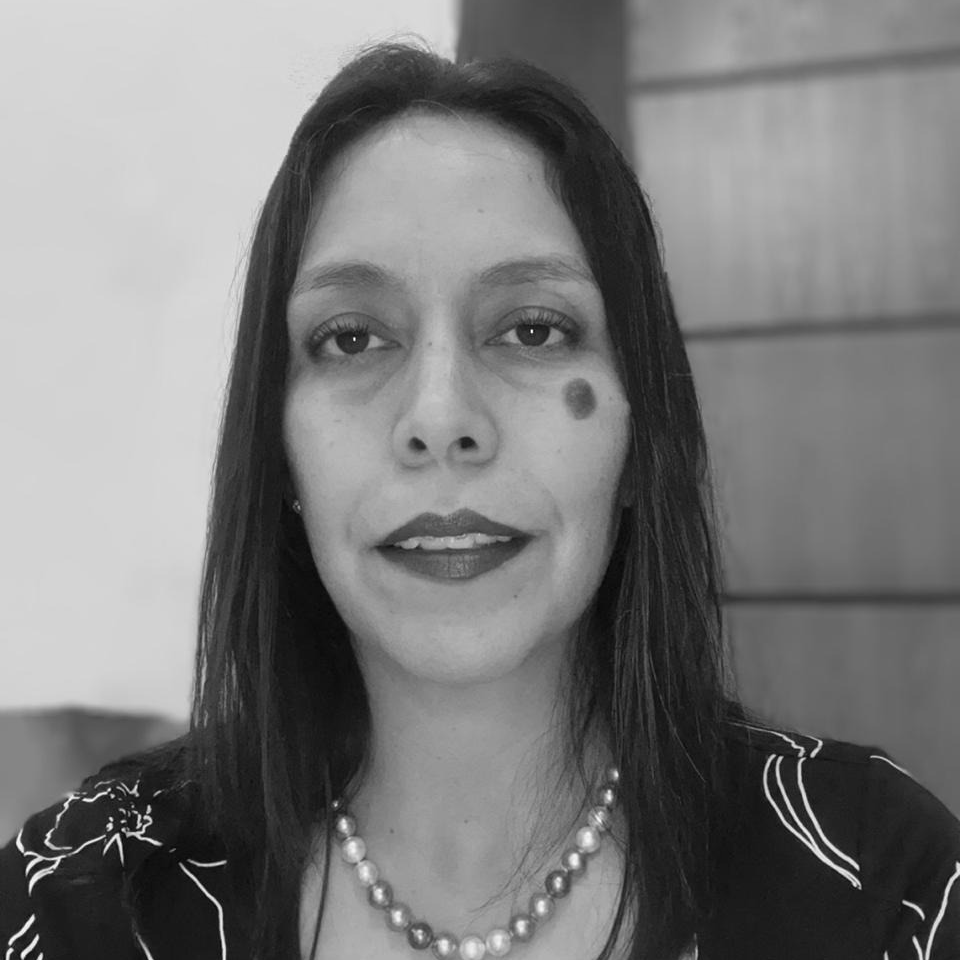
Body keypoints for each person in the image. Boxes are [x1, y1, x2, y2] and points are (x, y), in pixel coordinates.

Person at [2, 39, 958, 960]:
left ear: (639, 434)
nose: (439, 419)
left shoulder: (879, 887)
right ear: (280, 454)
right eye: (350, 338)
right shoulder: (81, 904)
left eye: (533, 330)